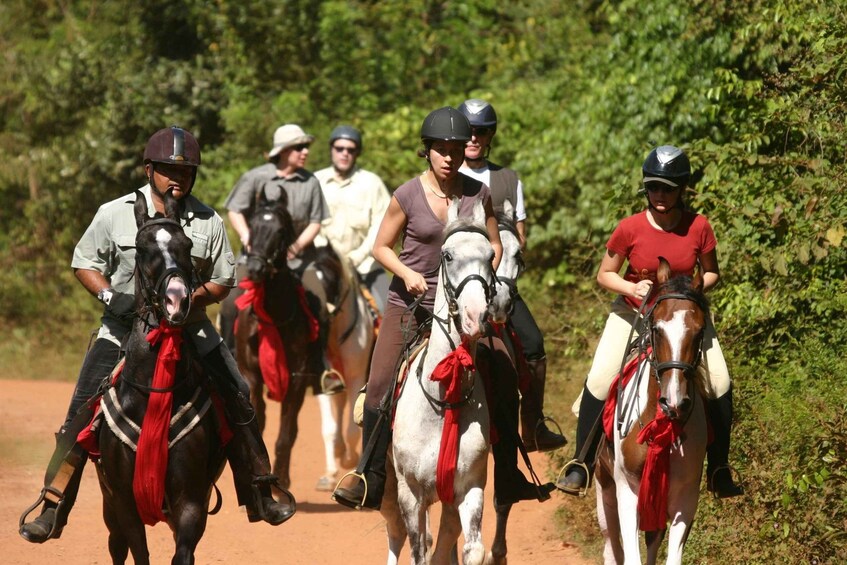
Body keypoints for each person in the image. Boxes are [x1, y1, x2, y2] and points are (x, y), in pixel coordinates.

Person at [19, 126, 295, 544]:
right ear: (149, 170)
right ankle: (54, 503)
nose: (177, 179)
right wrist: (111, 296)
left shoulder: (208, 220)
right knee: (79, 411)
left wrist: (186, 302)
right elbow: (84, 262)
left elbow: (223, 279)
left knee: (239, 393)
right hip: (122, 329)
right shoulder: (113, 213)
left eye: (185, 172)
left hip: (191, 328)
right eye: (167, 170)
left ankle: (259, 490)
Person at [333, 106, 553, 511]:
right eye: (441, 149)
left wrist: (483, 278)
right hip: (411, 304)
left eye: (454, 148)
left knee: (504, 372)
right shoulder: (407, 195)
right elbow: (381, 247)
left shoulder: (478, 193)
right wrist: (407, 272)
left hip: (464, 307)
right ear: (428, 151)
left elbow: (497, 244)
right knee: (380, 385)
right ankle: (369, 475)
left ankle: (510, 477)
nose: (449, 156)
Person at [556, 145, 743, 498]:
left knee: (719, 380)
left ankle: (718, 468)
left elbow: (713, 272)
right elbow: (604, 274)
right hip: (633, 312)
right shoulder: (629, 228)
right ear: (646, 188)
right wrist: (631, 286)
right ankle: (580, 462)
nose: (660, 195)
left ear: (681, 190)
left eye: (668, 188)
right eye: (654, 187)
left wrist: (691, 289)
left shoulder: (699, 226)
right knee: (599, 378)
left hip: (683, 316)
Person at [457, 98, 567, 453]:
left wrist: (507, 249)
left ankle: (533, 425)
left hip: (499, 280)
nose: (474, 138)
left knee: (533, 345)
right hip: (458, 280)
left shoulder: (508, 178)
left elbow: (520, 234)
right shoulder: (446, 174)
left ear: (490, 136)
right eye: (469, 131)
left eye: (482, 132)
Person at [218, 124, 332, 388]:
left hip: (298, 261)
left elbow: (316, 221)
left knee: (321, 304)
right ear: (282, 151)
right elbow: (234, 210)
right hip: (255, 259)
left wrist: (296, 247)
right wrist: (247, 236)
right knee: (229, 304)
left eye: (306, 147)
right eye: (299, 147)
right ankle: (228, 364)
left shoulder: (310, 182)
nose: (305, 152)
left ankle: (319, 369)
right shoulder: (256, 178)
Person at [314, 125, 391, 313]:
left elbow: (380, 226)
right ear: (331, 150)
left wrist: (356, 257)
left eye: (350, 149)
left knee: (390, 313)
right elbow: (310, 223)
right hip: (322, 265)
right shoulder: (316, 181)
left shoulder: (372, 183)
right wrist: (330, 258)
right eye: (339, 148)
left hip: (365, 268)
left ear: (357, 153)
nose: (344, 154)